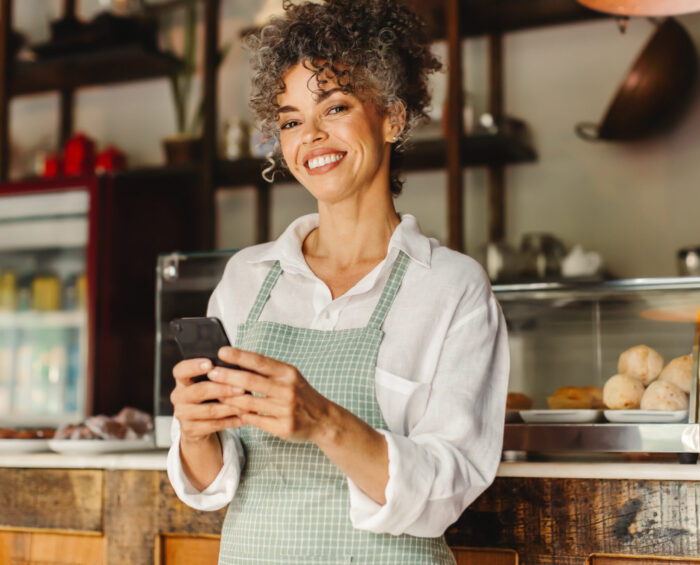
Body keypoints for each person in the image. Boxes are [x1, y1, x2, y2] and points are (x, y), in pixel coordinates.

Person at [167, 0, 510, 563]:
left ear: (393, 117)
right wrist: (197, 431)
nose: (312, 137)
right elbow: (213, 487)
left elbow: (449, 489)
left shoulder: (451, 288)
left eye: (336, 107)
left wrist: (324, 421)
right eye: (292, 120)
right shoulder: (247, 280)